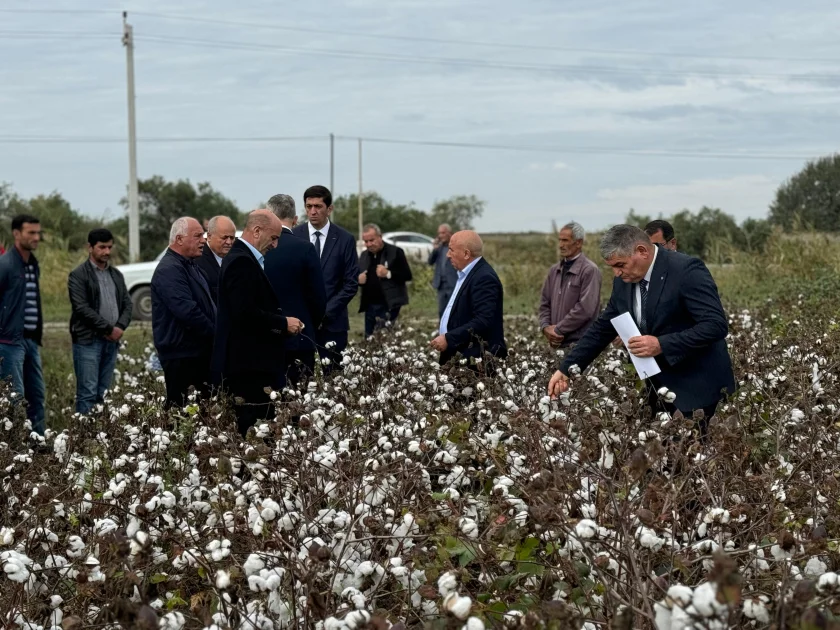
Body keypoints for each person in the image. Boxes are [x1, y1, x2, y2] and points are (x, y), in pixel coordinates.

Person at [548, 225, 735, 423]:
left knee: (699, 451)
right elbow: (603, 327)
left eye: (620, 265)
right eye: (612, 267)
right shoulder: (624, 280)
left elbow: (715, 325)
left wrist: (661, 344)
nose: (617, 273)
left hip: (698, 389)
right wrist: (566, 369)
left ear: (642, 251)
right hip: (657, 389)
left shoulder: (686, 270)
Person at [212, 209, 303, 435]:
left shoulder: (245, 259)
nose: (275, 245)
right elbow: (244, 313)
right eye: (273, 238)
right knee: (254, 429)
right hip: (249, 367)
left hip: (253, 364)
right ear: (256, 231)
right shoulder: (241, 262)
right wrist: (283, 323)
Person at [292, 185, 359, 375]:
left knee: (335, 379)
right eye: (309, 206)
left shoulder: (344, 239)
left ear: (329, 209)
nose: (313, 211)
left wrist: (326, 313)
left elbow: (351, 283)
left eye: (318, 206)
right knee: (301, 378)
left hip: (333, 323)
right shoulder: (295, 236)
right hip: (301, 323)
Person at [151, 217, 216, 409]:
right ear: (179, 239)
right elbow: (188, 312)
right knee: (180, 411)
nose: (203, 240)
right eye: (197, 236)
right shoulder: (170, 269)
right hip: (182, 355)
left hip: (196, 352)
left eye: (203, 235)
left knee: (199, 410)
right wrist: (217, 333)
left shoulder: (189, 265)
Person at [264, 194, 326, 389]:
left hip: (266, 338)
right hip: (300, 337)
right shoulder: (305, 249)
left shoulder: (259, 249)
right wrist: (308, 323)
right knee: (298, 400)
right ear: (295, 219)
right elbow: (318, 298)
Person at [68, 228, 133, 414]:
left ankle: (100, 437)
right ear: (90, 247)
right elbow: (81, 308)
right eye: (102, 247)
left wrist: (119, 327)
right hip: (88, 340)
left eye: (109, 247)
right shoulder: (78, 275)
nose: (106, 252)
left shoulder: (115, 275)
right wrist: (108, 329)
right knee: (87, 392)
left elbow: (127, 304)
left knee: (104, 393)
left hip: (111, 341)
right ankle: (84, 437)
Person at [430, 230, 507, 367]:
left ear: (466, 254)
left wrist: (449, 338)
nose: (447, 255)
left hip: (475, 362)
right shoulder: (466, 273)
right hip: (459, 356)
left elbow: (483, 321)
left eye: (451, 250)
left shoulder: (484, 278)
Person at [0, 215, 45, 434]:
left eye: (38, 233)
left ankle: (38, 440)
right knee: (15, 398)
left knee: (36, 393)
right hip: (9, 341)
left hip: (30, 340)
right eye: (31, 233)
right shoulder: (6, 264)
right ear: (16, 234)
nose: (36, 237)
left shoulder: (32, 264)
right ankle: (17, 447)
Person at [539, 222, 602, 349]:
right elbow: (545, 303)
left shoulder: (589, 270)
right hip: (556, 343)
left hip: (580, 344)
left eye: (565, 240)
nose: (561, 245)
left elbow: (585, 309)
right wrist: (545, 327)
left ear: (578, 243)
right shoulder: (554, 270)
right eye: (560, 240)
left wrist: (558, 330)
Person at [358, 223, 412, 338]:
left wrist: (388, 273)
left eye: (372, 240)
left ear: (380, 236)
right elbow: (356, 276)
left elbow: (407, 275)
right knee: (369, 338)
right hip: (369, 305)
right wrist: (358, 280)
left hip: (388, 304)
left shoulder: (395, 252)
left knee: (384, 339)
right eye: (366, 241)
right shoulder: (364, 255)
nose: (369, 244)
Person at [195, 215, 236, 304]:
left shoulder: (235, 260)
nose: (229, 242)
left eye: (232, 238)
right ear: (209, 237)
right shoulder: (197, 262)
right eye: (224, 237)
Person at [428, 223, 458, 319]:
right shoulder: (439, 248)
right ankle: (443, 332)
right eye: (439, 233)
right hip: (441, 285)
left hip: (453, 283)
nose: (441, 235)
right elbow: (430, 262)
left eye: (443, 233)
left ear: (450, 233)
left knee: (454, 310)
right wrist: (434, 249)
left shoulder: (456, 246)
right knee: (442, 311)